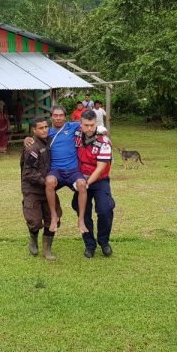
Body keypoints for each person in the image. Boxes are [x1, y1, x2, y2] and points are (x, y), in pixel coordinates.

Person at [24, 106, 89, 234]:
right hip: (56, 170)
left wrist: (102, 131)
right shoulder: (47, 132)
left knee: (82, 184)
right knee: (49, 181)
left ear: (65, 117)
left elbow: (89, 125)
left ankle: (81, 219)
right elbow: (35, 138)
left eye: (61, 115)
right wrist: (26, 139)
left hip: (73, 170)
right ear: (51, 117)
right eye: (55, 115)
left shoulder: (73, 127)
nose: (58, 118)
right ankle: (54, 216)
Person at [73, 109, 116, 258]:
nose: (89, 128)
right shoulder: (76, 133)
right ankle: (89, 245)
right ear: (81, 124)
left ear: (96, 124)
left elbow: (100, 168)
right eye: (86, 125)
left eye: (92, 125)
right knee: (83, 211)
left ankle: (104, 242)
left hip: (98, 180)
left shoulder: (104, 142)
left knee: (105, 209)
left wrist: (86, 183)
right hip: (80, 178)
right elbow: (58, 128)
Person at [20, 117, 61, 260]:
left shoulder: (49, 140)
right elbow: (28, 173)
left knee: (53, 218)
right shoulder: (32, 147)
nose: (44, 130)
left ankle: (47, 249)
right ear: (34, 130)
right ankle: (33, 240)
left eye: (45, 127)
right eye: (40, 128)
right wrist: (46, 182)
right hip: (33, 189)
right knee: (35, 221)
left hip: (48, 190)